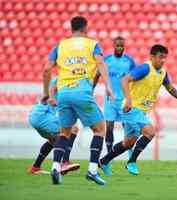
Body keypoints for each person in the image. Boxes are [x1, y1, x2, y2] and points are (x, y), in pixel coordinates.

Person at [99, 44, 177, 176]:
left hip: (141, 111)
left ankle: (104, 161)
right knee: (150, 132)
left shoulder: (162, 73)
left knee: (128, 143)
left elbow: (170, 88)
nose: (163, 60)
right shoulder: (145, 68)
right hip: (132, 108)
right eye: (160, 57)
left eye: (165, 58)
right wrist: (128, 100)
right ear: (152, 57)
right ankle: (131, 161)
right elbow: (124, 80)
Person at [42, 16, 111, 185]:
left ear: (71, 28)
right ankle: (92, 171)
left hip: (64, 93)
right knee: (100, 129)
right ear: (85, 28)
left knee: (64, 133)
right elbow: (101, 64)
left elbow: (46, 70)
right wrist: (108, 86)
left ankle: (55, 167)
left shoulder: (60, 45)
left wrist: (47, 94)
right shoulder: (92, 44)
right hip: (82, 91)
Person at [28, 77, 80, 175]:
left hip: (36, 117)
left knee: (53, 141)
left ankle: (35, 167)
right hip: (42, 115)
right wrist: (51, 98)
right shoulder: (64, 77)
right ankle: (65, 162)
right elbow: (52, 87)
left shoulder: (69, 84)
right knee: (73, 129)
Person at [103, 36, 135, 155]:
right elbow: (97, 74)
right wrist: (92, 88)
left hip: (123, 100)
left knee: (127, 127)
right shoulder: (107, 60)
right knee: (109, 127)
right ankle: (108, 154)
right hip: (110, 100)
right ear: (114, 46)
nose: (120, 48)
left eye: (122, 46)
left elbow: (135, 78)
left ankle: (130, 155)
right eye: (118, 45)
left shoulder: (129, 61)